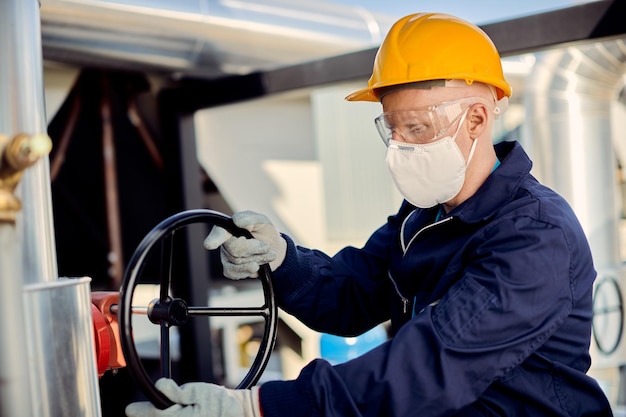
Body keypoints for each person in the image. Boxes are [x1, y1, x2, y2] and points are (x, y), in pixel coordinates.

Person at [126, 12, 613, 417]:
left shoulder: (533, 236)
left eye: (417, 127)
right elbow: (355, 294)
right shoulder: (422, 217)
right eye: (391, 129)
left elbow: (431, 365)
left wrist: (258, 407)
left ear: (478, 119)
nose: (398, 149)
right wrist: (280, 259)